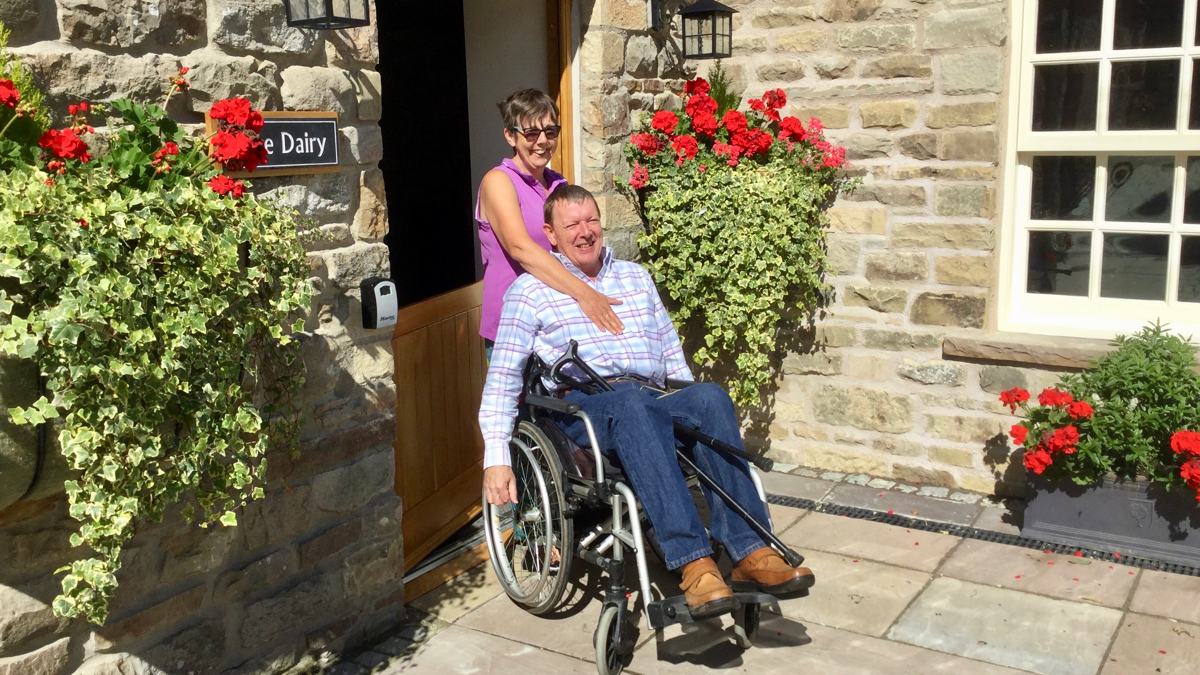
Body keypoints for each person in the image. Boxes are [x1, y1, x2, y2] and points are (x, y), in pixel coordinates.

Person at [479, 185, 814, 617]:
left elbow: (670, 352)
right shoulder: (529, 291)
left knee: (709, 398)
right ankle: (694, 563)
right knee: (632, 405)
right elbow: (503, 378)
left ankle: (751, 551)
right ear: (551, 234)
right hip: (587, 406)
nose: (585, 232)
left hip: (650, 394)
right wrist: (496, 457)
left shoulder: (635, 277)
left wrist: (689, 400)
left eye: (591, 220)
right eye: (572, 225)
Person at [475, 89, 623, 350]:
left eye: (550, 132)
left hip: (556, 320)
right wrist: (586, 294)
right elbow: (520, 248)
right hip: (514, 326)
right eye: (531, 133)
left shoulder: (558, 183)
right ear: (510, 135)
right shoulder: (499, 181)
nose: (542, 141)